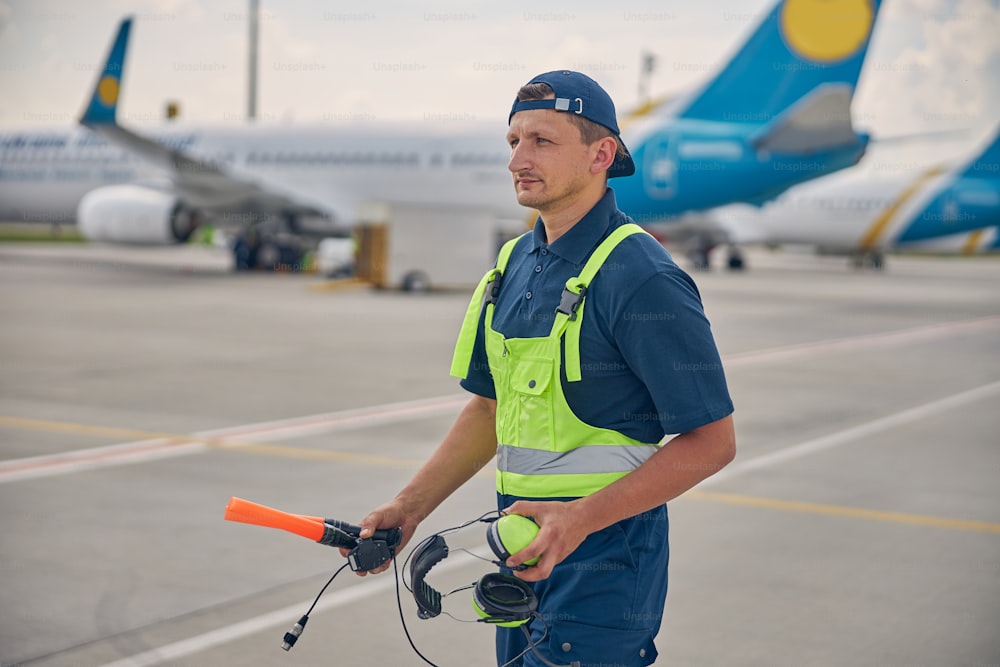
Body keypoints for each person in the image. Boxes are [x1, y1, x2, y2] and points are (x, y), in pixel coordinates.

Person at [349, 70, 735, 667]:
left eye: (542, 142)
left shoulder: (642, 277)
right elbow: (489, 405)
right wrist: (409, 507)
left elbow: (712, 442)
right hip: (524, 556)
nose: (517, 160)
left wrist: (579, 521)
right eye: (513, 142)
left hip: (605, 563)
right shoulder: (514, 262)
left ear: (601, 154)